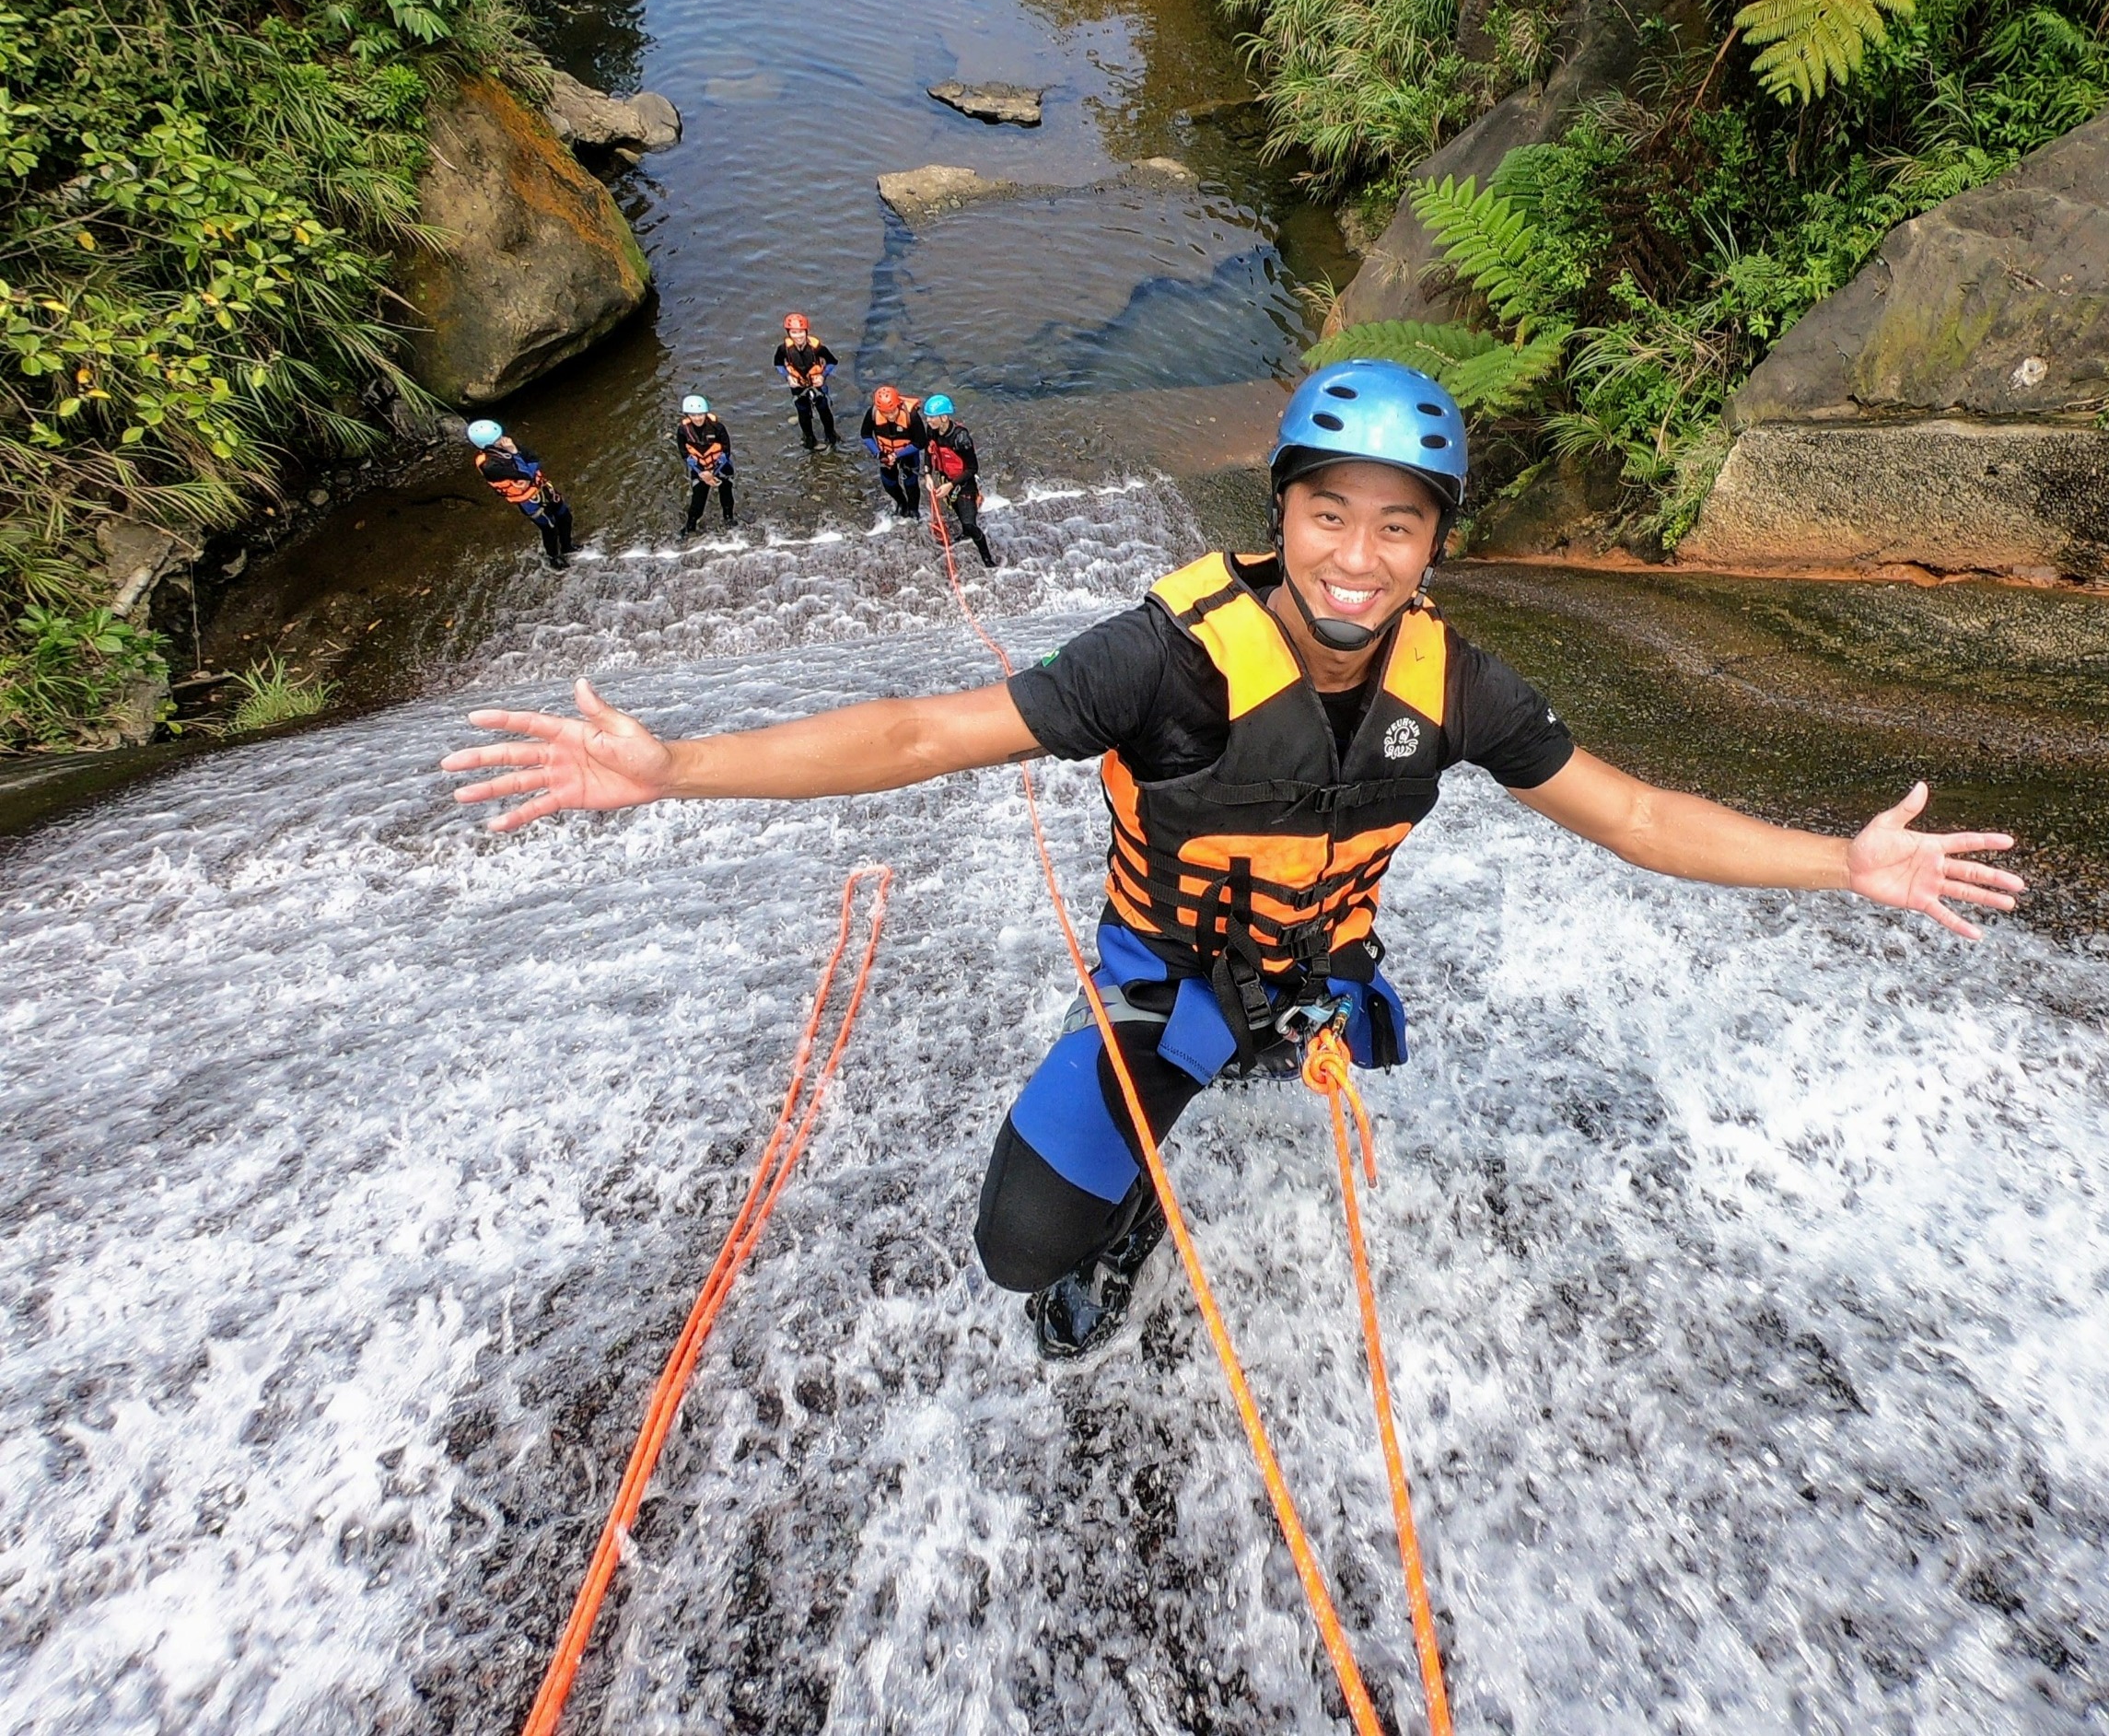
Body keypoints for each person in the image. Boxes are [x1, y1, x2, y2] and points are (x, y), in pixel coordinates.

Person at [442, 361, 2023, 1358]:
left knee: (1286, 1033)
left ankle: (1275, 1052)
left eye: (1397, 527)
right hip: (1164, 984)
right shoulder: (1163, 661)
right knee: (1021, 1252)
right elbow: (926, 732)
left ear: (1433, 547)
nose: (1357, 555)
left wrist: (1843, 862)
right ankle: (1131, 1207)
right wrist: (677, 771)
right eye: (1328, 513)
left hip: (1320, 979)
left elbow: (1635, 815)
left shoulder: (1456, 687)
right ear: (1280, 515)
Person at [469, 418, 576, 570]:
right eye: (497, 439)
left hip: (544, 489)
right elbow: (525, 474)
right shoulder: (490, 466)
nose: (503, 439)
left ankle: (567, 546)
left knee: (565, 517)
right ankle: (554, 558)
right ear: (487, 446)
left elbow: (534, 459)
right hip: (530, 502)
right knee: (549, 528)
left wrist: (521, 463)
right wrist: (515, 454)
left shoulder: (507, 445)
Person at [918, 392, 996, 568]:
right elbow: (929, 452)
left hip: (964, 483)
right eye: (927, 417)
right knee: (958, 513)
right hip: (946, 479)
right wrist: (928, 474)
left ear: (944, 417)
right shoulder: (932, 430)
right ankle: (964, 533)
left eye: (931, 417)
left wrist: (950, 485)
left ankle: (987, 559)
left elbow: (972, 468)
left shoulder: (962, 439)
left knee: (969, 523)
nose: (928, 420)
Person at [775, 313, 839, 451]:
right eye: (794, 332)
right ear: (789, 333)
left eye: (801, 332)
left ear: (806, 331)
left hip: (818, 385)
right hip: (798, 387)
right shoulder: (783, 350)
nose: (798, 336)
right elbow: (778, 364)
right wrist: (788, 377)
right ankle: (810, 440)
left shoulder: (817, 348)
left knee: (824, 411)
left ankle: (831, 436)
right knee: (803, 414)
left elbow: (832, 362)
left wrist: (823, 375)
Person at [861, 385, 923, 518]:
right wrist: (878, 453)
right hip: (885, 454)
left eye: (893, 411)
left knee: (910, 483)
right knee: (889, 483)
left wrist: (897, 454)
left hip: (908, 454)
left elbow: (920, 442)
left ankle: (913, 509)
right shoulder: (872, 413)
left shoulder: (911, 416)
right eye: (885, 413)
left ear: (898, 404)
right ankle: (901, 503)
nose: (890, 416)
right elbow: (866, 435)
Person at [678, 396, 736, 534]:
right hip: (699, 470)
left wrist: (713, 472)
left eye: (700, 414)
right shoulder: (683, 431)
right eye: (693, 415)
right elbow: (685, 454)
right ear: (688, 415)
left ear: (706, 413)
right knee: (698, 500)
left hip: (721, 467)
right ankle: (690, 526)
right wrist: (701, 473)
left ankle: (728, 519)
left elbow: (726, 452)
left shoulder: (718, 428)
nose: (697, 418)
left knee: (726, 495)